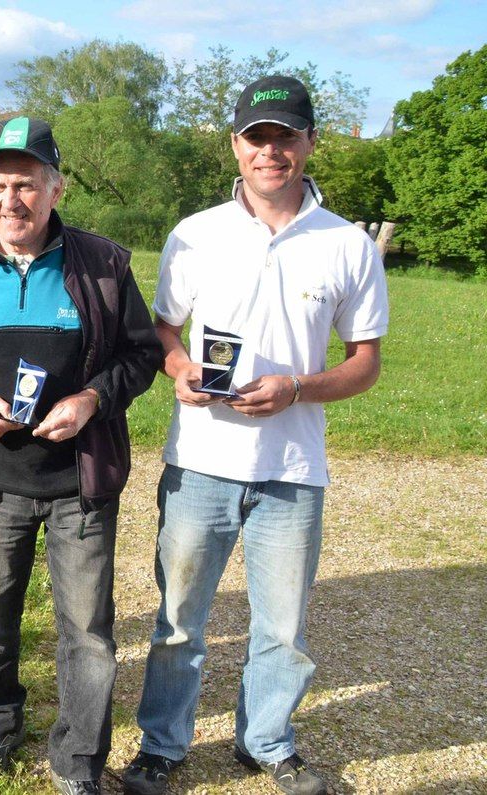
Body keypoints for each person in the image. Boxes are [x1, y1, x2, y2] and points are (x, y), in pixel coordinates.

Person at [121, 76, 388, 795]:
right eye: (256, 137)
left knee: (283, 628)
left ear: (309, 143)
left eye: (286, 136)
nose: (271, 151)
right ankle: (162, 745)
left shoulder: (347, 246)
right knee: (178, 619)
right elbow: (162, 327)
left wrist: (297, 387)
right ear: (234, 145)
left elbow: (365, 362)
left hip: (293, 466)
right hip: (201, 458)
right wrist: (177, 367)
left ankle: (266, 739)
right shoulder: (196, 232)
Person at [0, 117, 161, 795]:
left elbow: (140, 354)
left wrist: (91, 399)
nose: (11, 200)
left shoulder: (104, 264)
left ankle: (78, 759)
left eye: (26, 185)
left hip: (78, 484)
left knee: (87, 632)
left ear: (56, 190)